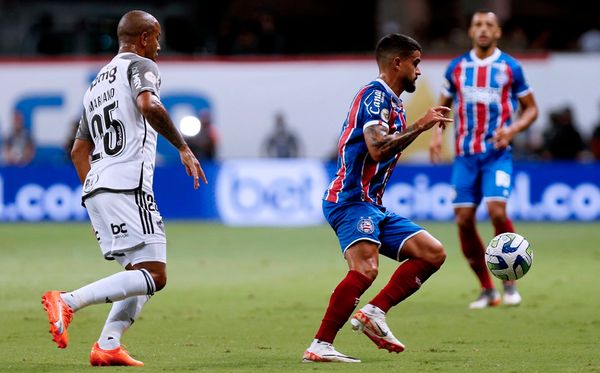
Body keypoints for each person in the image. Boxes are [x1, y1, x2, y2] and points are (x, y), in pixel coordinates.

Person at [41, 10, 207, 367]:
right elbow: (148, 104)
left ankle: (108, 344)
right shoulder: (140, 66)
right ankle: (68, 301)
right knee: (155, 276)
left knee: (140, 271)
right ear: (144, 38)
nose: (159, 47)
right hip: (128, 184)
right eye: (157, 38)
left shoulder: (95, 86)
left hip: (98, 186)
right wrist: (182, 146)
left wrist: (93, 197)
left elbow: (78, 151)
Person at [302, 33, 452, 363]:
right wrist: (421, 125)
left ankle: (374, 313)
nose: (419, 72)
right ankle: (320, 344)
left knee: (432, 253)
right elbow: (376, 146)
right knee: (366, 269)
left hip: (372, 204)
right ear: (396, 62)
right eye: (416, 63)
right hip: (349, 199)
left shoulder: (393, 105)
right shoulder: (373, 96)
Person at [429, 10, 539, 309]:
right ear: (470, 31)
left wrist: (513, 129)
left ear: (498, 32)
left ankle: (510, 282)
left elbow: (531, 109)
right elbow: (443, 107)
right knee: (463, 220)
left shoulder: (510, 68)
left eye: (489, 25)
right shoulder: (457, 67)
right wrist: (437, 135)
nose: (483, 29)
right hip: (465, 157)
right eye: (477, 24)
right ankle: (487, 290)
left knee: (497, 211)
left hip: (496, 154)